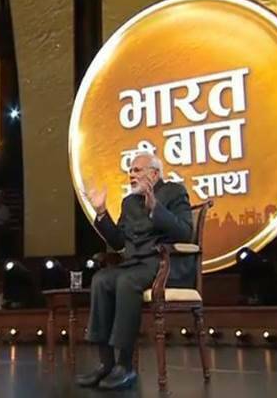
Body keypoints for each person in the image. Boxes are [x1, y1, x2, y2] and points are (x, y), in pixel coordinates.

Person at [75, 153, 192, 390]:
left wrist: (155, 208)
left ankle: (125, 365)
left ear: (154, 174)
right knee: (100, 280)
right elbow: (119, 242)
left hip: (162, 264)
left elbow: (185, 232)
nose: (131, 175)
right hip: (135, 264)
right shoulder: (129, 202)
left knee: (126, 282)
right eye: (130, 170)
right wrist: (101, 213)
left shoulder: (174, 192)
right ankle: (106, 363)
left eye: (137, 170)